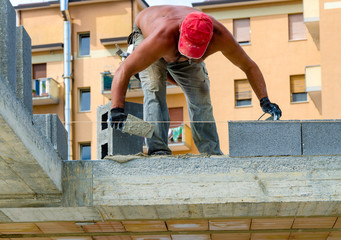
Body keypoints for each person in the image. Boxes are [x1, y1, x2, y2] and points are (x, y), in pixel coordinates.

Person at [110, 5, 282, 155]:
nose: (188, 55)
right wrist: (117, 109)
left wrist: (264, 100)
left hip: (176, 49)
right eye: (187, 50)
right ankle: (158, 150)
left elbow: (249, 66)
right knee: (154, 85)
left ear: (209, 40)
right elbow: (123, 70)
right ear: (181, 33)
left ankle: (210, 152)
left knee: (201, 92)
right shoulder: (161, 37)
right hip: (148, 34)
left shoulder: (221, 36)